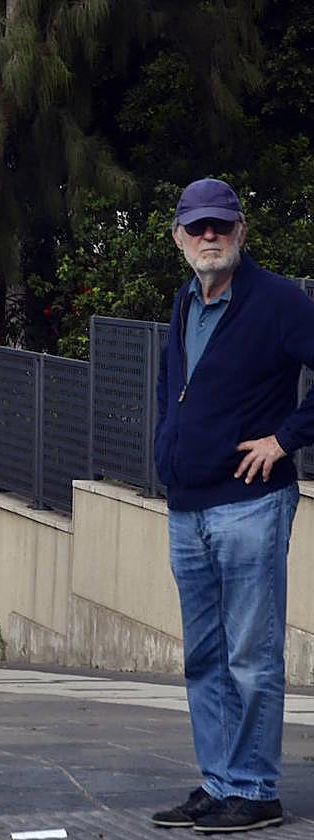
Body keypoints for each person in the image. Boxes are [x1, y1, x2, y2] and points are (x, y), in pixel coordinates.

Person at [150, 178, 314, 834]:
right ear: (179, 237)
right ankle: (219, 784)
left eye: (221, 225)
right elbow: (174, 386)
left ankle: (253, 788)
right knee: (205, 657)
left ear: (241, 231)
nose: (209, 236)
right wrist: (168, 448)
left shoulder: (278, 302)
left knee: (250, 654)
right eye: (198, 227)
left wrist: (285, 439)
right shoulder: (184, 301)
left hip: (250, 506)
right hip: (187, 507)